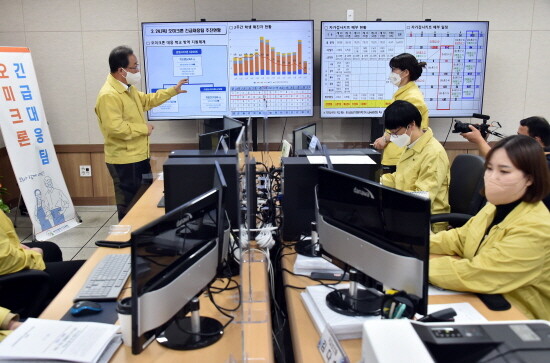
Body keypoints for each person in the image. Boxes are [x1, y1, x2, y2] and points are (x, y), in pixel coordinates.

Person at [430, 135, 550, 320]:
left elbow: (478, 273)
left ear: (530, 179)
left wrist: (416, 267)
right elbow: (460, 239)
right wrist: (410, 241)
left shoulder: (537, 227)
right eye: (489, 168)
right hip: (484, 299)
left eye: (504, 171)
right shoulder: (494, 207)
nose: (491, 177)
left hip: (519, 316)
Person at [95, 45, 189, 221]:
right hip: (124, 160)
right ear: (121, 70)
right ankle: (128, 241)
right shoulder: (109, 95)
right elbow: (114, 128)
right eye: (134, 67)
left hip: (137, 156)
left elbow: (146, 100)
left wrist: (172, 91)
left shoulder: (127, 88)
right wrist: (144, 129)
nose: (138, 70)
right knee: (130, 206)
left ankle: (142, 238)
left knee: (142, 203)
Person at [380, 100, 450, 232]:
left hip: (428, 221)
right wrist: (377, 184)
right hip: (406, 211)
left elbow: (422, 197)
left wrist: (389, 198)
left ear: (411, 124)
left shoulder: (433, 153)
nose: (393, 137)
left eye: (395, 132)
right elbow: (400, 177)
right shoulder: (412, 145)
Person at [0, 211, 84, 315]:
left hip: (6, 258)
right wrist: (34, 254)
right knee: (86, 269)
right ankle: (33, 303)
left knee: (51, 249)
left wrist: (15, 245)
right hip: (5, 278)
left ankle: (45, 300)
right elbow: (6, 260)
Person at [373, 53, 429, 173]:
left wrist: (385, 139)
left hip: (402, 157)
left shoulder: (412, 97)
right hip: (397, 155)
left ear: (405, 73)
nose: (391, 73)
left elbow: (407, 130)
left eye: (394, 69)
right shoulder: (403, 93)